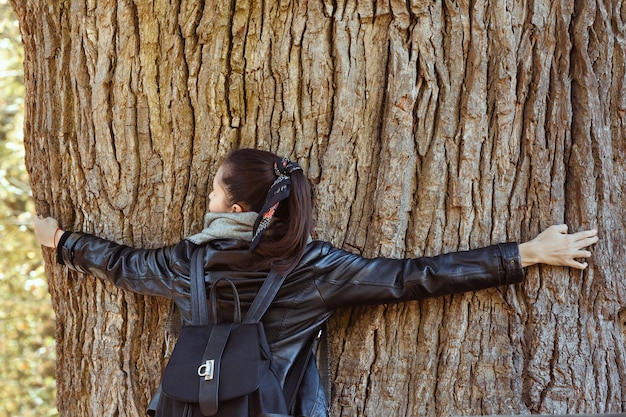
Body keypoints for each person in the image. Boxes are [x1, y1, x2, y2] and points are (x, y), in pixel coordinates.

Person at [33, 148, 598, 417]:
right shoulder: (317, 268)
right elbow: (414, 277)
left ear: (233, 204)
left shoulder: (187, 263)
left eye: (211, 192)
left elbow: (123, 264)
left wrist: (61, 242)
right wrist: (524, 254)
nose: (205, 200)